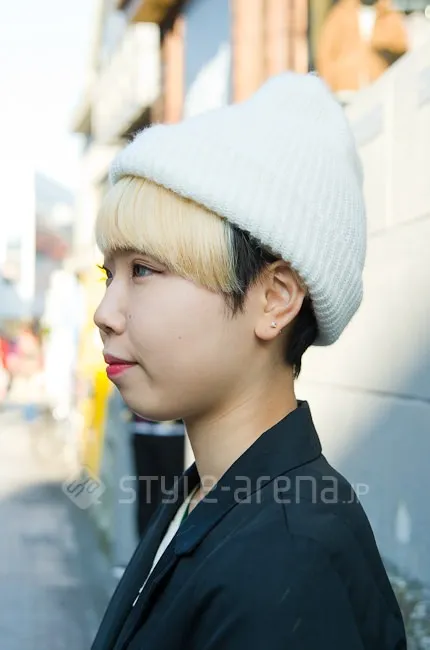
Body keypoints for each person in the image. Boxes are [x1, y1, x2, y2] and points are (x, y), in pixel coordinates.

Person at [92, 72, 406, 649]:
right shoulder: (208, 497)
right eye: (108, 274)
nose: (105, 313)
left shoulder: (290, 562)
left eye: (144, 270)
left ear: (274, 299)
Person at [317, 0, 408, 96]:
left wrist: (381, 41)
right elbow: (325, 54)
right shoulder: (340, 13)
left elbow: (401, 46)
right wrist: (331, 84)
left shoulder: (388, 13)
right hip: (345, 88)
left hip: (378, 86)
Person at [130, 414, 185, 538]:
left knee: (172, 492)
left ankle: (168, 540)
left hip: (174, 432)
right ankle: (145, 542)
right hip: (143, 429)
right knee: (147, 493)